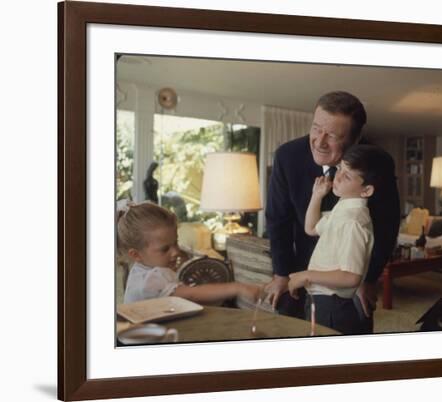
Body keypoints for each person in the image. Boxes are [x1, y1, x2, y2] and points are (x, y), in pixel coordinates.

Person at [265, 91, 400, 332]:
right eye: (316, 128)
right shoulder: (287, 156)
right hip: (298, 269)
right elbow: (278, 220)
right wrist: (281, 274)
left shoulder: (377, 163)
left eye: (333, 136)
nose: (319, 141)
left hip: (348, 282)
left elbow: (387, 225)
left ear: (355, 140)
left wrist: (366, 278)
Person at [287, 145, 391, 334]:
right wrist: (317, 196)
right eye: (340, 169)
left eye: (348, 176)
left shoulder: (353, 221)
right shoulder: (344, 208)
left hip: (333, 306)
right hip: (321, 299)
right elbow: (311, 228)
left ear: (366, 190)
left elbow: (351, 277)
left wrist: (306, 275)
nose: (338, 177)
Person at [117, 202, 262, 305]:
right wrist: (237, 288)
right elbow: (193, 294)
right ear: (135, 255)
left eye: (175, 242)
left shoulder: (146, 267)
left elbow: (185, 252)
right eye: (165, 249)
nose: (175, 252)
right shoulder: (149, 281)